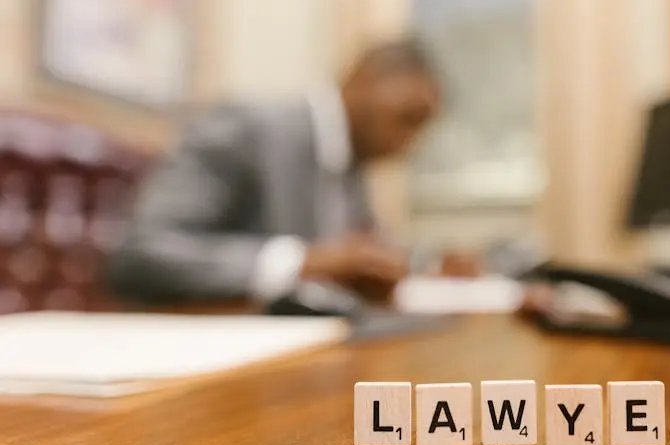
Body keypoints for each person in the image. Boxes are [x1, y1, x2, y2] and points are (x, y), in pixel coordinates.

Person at [106, 38, 481, 310]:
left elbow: (357, 255)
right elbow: (142, 252)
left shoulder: (351, 164)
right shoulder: (245, 126)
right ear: (362, 78)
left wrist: (422, 265)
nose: (409, 143)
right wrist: (303, 263)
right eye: (408, 119)